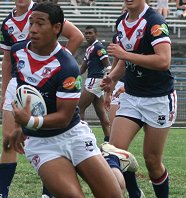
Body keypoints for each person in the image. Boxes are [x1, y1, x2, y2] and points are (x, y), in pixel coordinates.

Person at [10, 2, 138, 197]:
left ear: (56, 28)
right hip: (42, 143)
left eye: (40, 24)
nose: (33, 29)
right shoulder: (17, 53)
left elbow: (63, 116)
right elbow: (28, 96)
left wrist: (28, 122)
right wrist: (22, 128)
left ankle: (113, 160)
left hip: (73, 134)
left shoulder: (67, 66)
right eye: (31, 22)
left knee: (114, 195)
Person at [0, 0, 84, 197]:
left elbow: (76, 36)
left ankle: (48, 193)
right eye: (31, 25)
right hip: (18, 84)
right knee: (9, 137)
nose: (34, 28)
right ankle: (2, 193)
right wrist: (4, 92)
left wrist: (56, 65)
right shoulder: (8, 22)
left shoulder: (41, 13)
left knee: (49, 135)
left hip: (46, 82)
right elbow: (6, 60)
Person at [101, 0, 177, 197]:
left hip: (158, 99)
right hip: (132, 96)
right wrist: (112, 78)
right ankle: (135, 194)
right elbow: (124, 62)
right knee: (114, 152)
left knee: (152, 161)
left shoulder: (154, 21)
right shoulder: (121, 22)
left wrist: (125, 54)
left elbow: (163, 61)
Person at [78, 25, 111, 142]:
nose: (87, 35)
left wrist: (107, 77)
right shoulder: (89, 48)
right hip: (92, 80)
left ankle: (81, 137)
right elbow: (83, 68)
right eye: (86, 33)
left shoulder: (98, 47)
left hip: (95, 80)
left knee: (79, 107)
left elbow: (107, 65)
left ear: (96, 34)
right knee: (101, 113)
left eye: (90, 33)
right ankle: (109, 140)